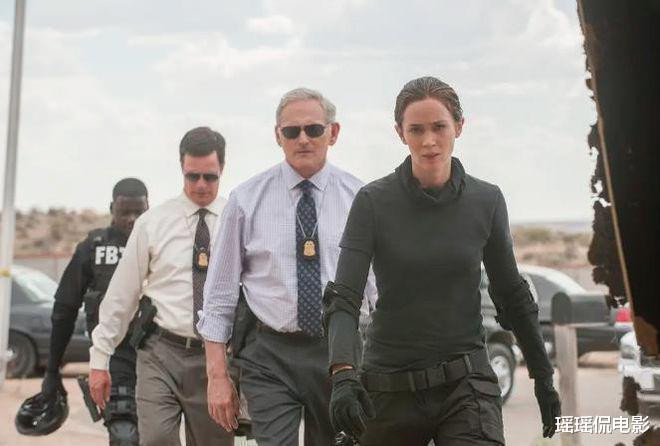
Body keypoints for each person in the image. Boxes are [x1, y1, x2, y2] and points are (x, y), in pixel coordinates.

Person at [323, 76, 561, 445]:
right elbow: (344, 297)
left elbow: (512, 294)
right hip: (389, 386)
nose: (429, 141)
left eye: (439, 127)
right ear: (400, 133)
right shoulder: (372, 202)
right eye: (416, 130)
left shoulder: (487, 200)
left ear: (459, 127)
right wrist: (343, 373)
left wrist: (542, 377)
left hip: (466, 385)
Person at [198, 87, 377, 446]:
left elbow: (378, 291)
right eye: (292, 131)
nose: (303, 139)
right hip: (269, 355)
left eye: (314, 129)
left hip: (338, 353)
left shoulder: (361, 199)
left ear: (333, 133)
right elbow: (218, 297)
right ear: (278, 136)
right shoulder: (245, 200)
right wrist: (217, 377)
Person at [88, 127, 233, 446]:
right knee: (156, 438)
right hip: (160, 353)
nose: (200, 185)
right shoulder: (152, 223)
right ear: (181, 167)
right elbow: (122, 295)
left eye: (209, 177)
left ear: (222, 168)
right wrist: (100, 359)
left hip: (216, 358)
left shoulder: (236, 220)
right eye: (192, 176)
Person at [18, 178, 148, 443]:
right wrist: (52, 371)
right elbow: (64, 311)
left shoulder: (162, 244)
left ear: (149, 209)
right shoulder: (94, 247)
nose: (132, 220)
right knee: (124, 433)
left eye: (139, 212)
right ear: (111, 209)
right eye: (125, 212)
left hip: (158, 354)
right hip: (113, 356)